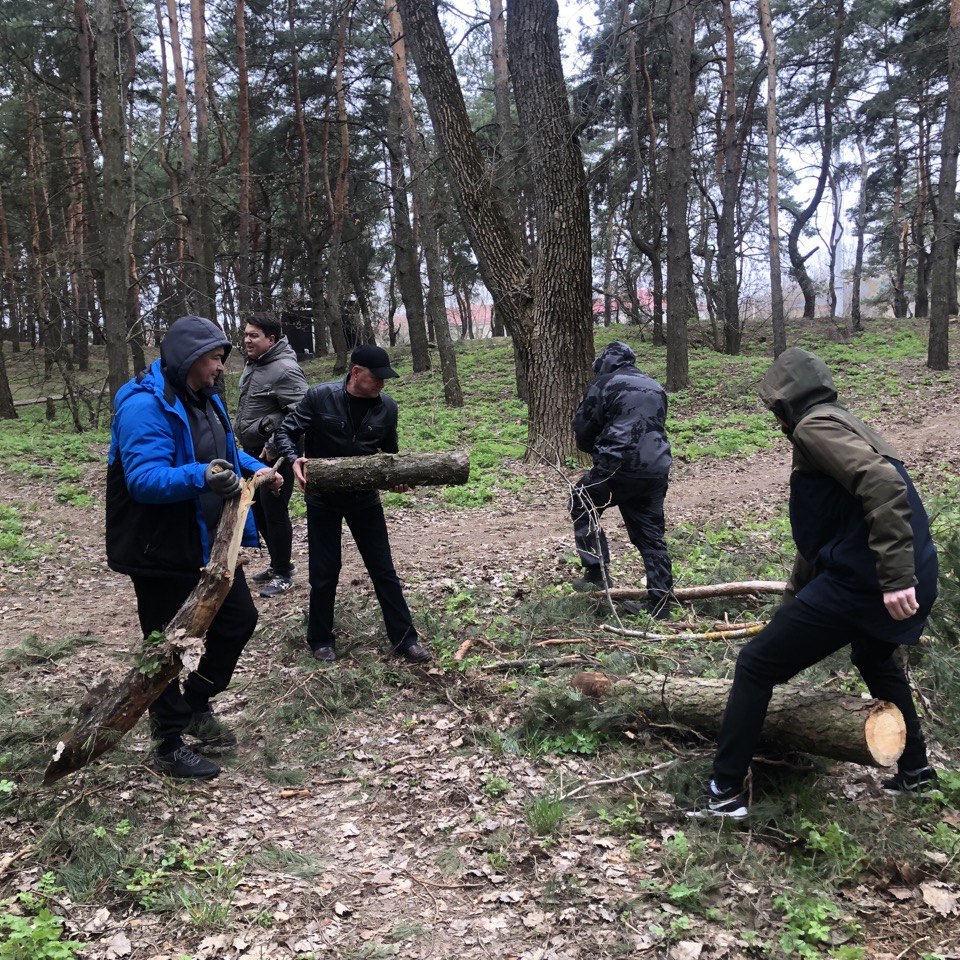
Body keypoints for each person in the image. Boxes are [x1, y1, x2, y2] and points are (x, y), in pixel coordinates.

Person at [690, 347, 939, 819]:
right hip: (895, 570)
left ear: (785, 400)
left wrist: (894, 578)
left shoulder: (814, 427)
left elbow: (883, 484)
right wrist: (792, 604)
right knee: (873, 655)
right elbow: (821, 538)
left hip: (869, 578)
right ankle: (917, 773)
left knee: (757, 664)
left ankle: (725, 794)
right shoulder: (843, 422)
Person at [106, 315, 282, 779]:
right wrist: (199, 476)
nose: (221, 367)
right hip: (159, 546)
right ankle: (167, 744)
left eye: (223, 358)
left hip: (209, 541)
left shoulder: (206, 398)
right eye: (214, 359)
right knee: (167, 645)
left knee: (239, 620)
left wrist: (254, 468)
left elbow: (223, 448)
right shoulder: (144, 406)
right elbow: (143, 480)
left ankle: (196, 703)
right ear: (188, 360)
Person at [273, 343, 430, 664]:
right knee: (324, 571)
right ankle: (320, 640)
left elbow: (388, 456)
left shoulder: (387, 407)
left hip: (364, 500)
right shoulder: (320, 397)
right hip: (323, 499)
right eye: (377, 377)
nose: (382, 384)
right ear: (356, 372)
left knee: (383, 570)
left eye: (385, 378)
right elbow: (284, 433)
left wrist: (395, 478)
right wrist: (294, 459)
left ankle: (405, 639)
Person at [569, 340, 675, 618]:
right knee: (651, 536)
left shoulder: (604, 384)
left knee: (582, 499)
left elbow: (583, 428)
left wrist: (597, 451)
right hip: (655, 469)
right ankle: (661, 603)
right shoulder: (654, 386)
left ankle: (596, 572)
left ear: (604, 362)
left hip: (617, 466)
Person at [235, 314, 308, 598]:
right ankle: (281, 563)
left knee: (274, 511)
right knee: (258, 509)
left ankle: (282, 574)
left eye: (254, 335)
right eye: (246, 335)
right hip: (254, 452)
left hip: (278, 453)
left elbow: (302, 413)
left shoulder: (284, 369)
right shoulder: (254, 365)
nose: (247, 340)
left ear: (271, 340)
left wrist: (276, 441)